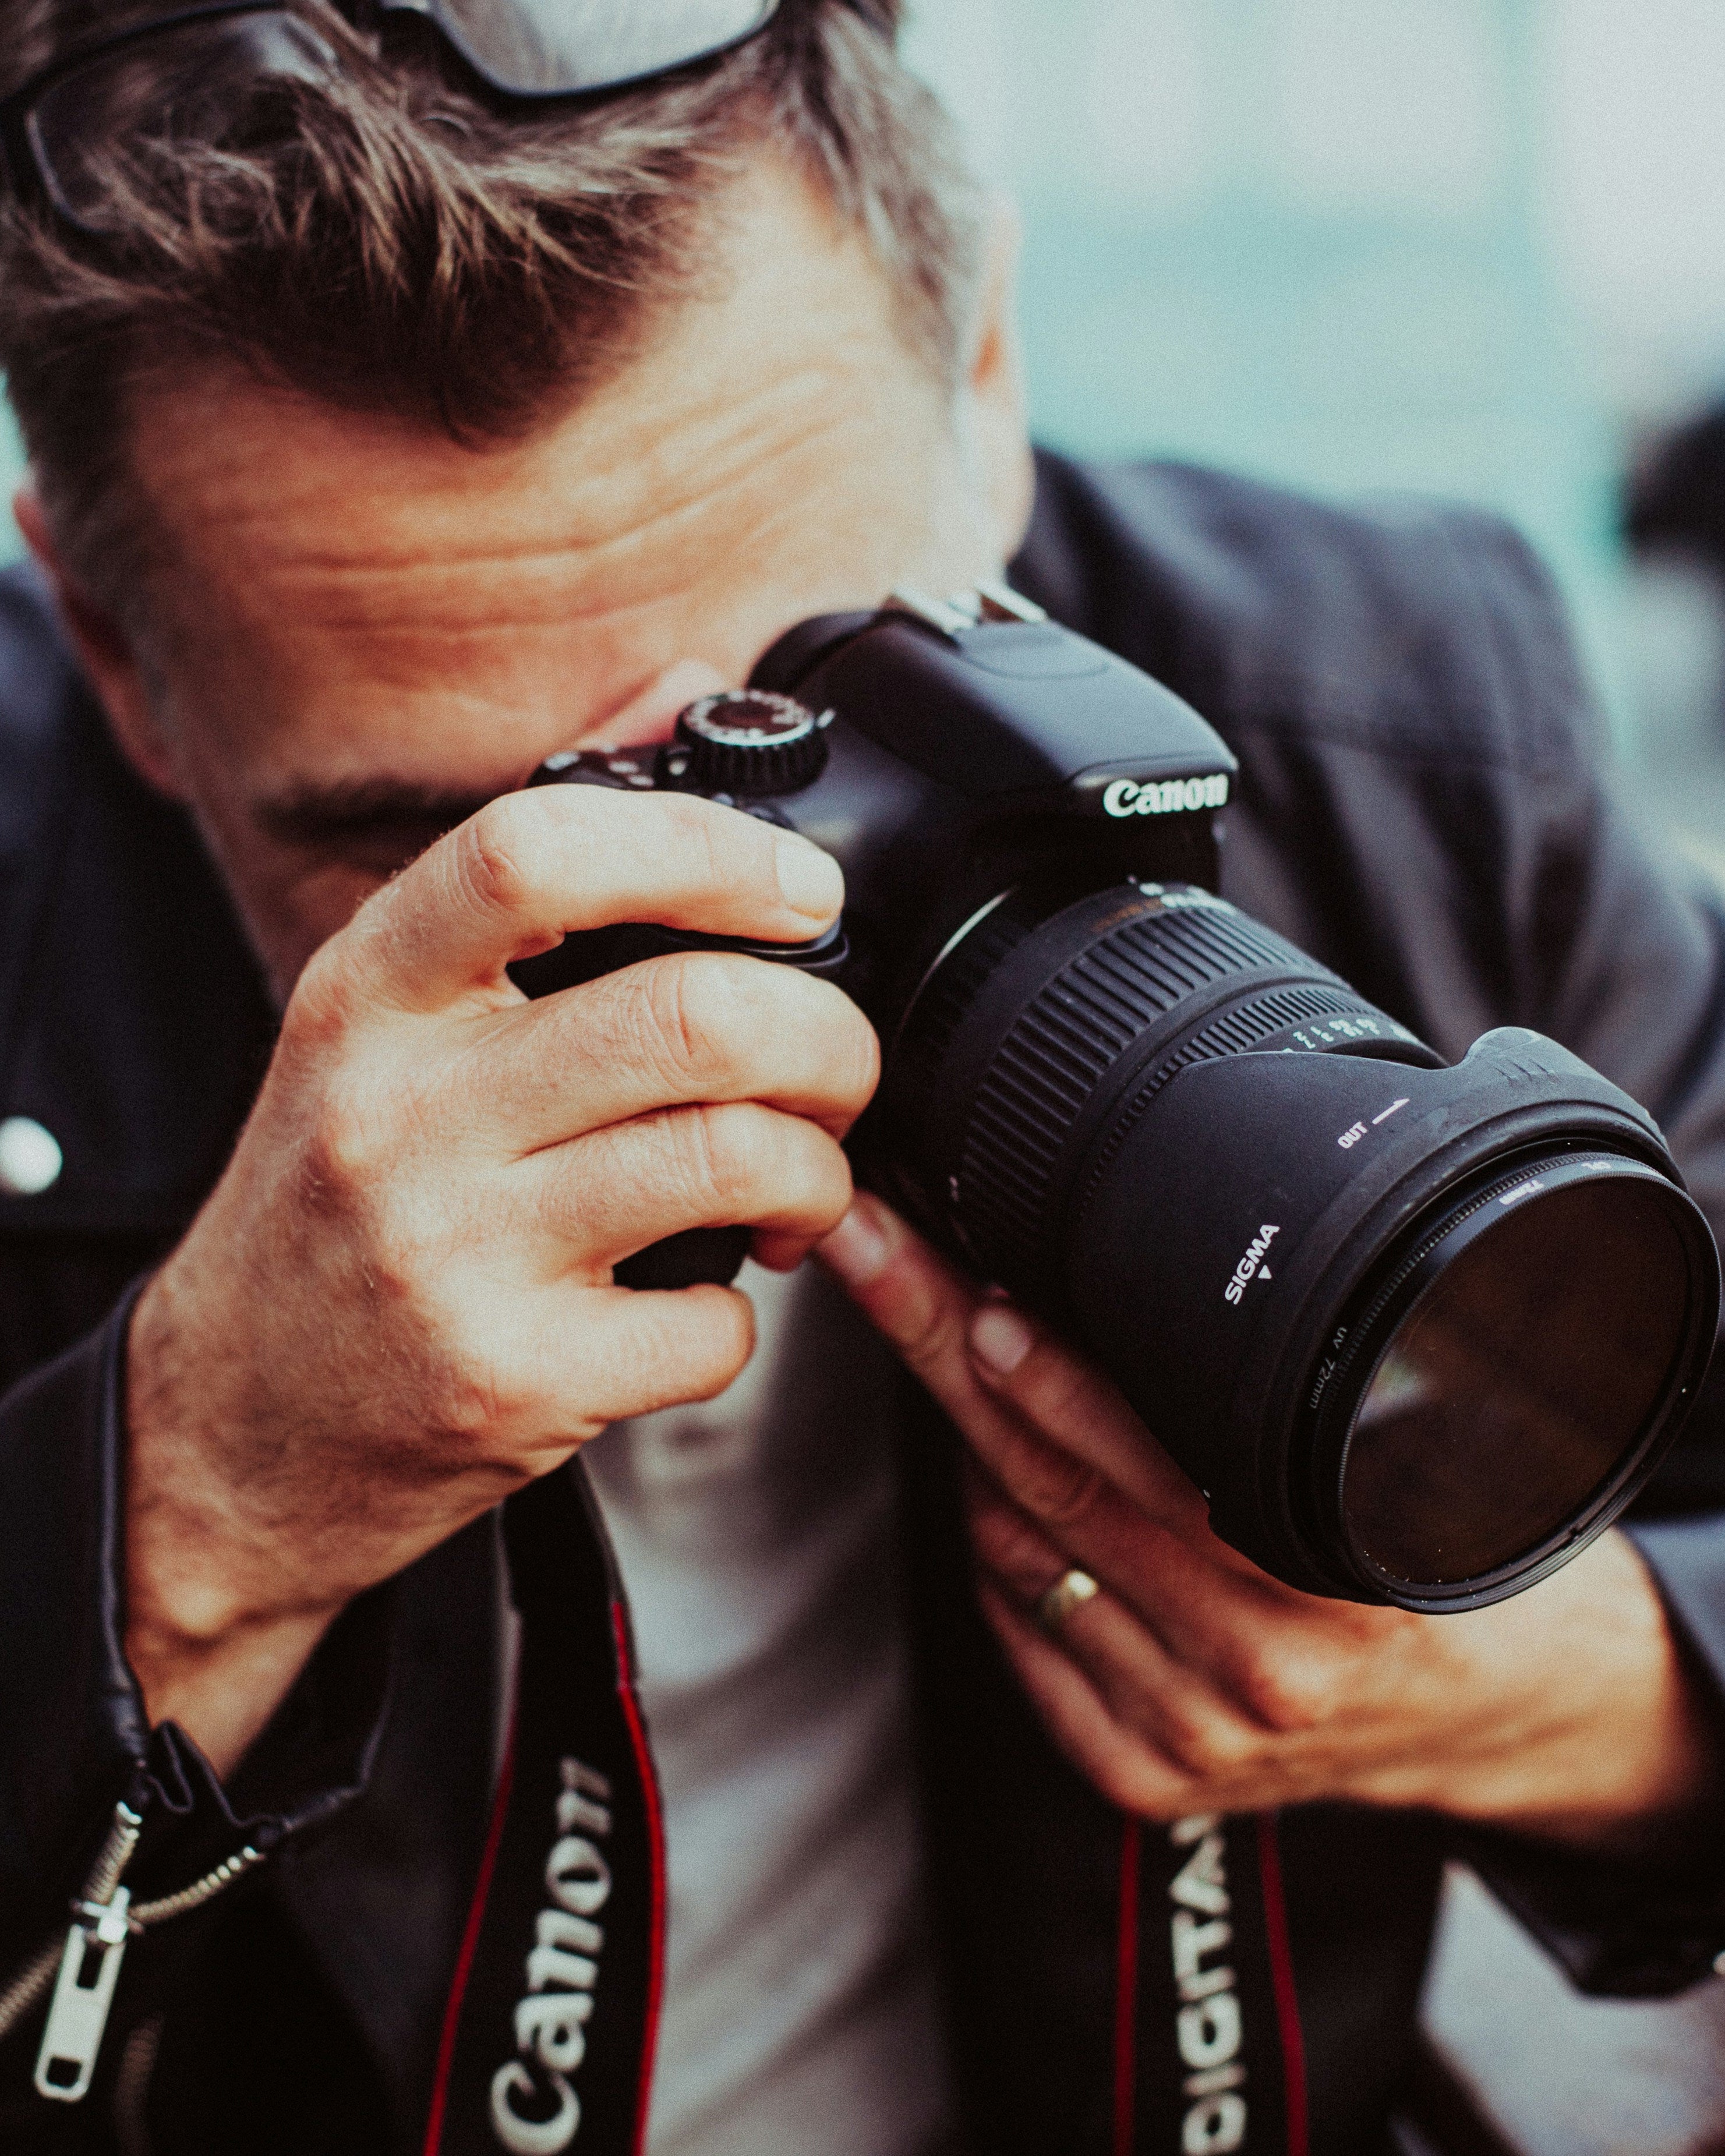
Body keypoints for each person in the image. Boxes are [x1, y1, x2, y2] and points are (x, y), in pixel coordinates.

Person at [1, 3, 1723, 2152]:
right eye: (426, 845)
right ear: (106, 649)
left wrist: (1579, 1691)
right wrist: (189, 1508)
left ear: (984, 379)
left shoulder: (1406, 727)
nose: (679, 937)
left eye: (809, 732)